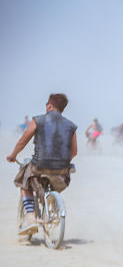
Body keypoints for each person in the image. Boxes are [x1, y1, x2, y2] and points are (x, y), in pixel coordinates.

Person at [6, 94, 78, 236]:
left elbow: (23, 140)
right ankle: (50, 205)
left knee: (23, 181)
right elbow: (74, 152)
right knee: (51, 182)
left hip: (40, 166)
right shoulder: (71, 126)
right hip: (63, 171)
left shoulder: (38, 120)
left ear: (49, 105)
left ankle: (31, 217)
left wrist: (13, 155)